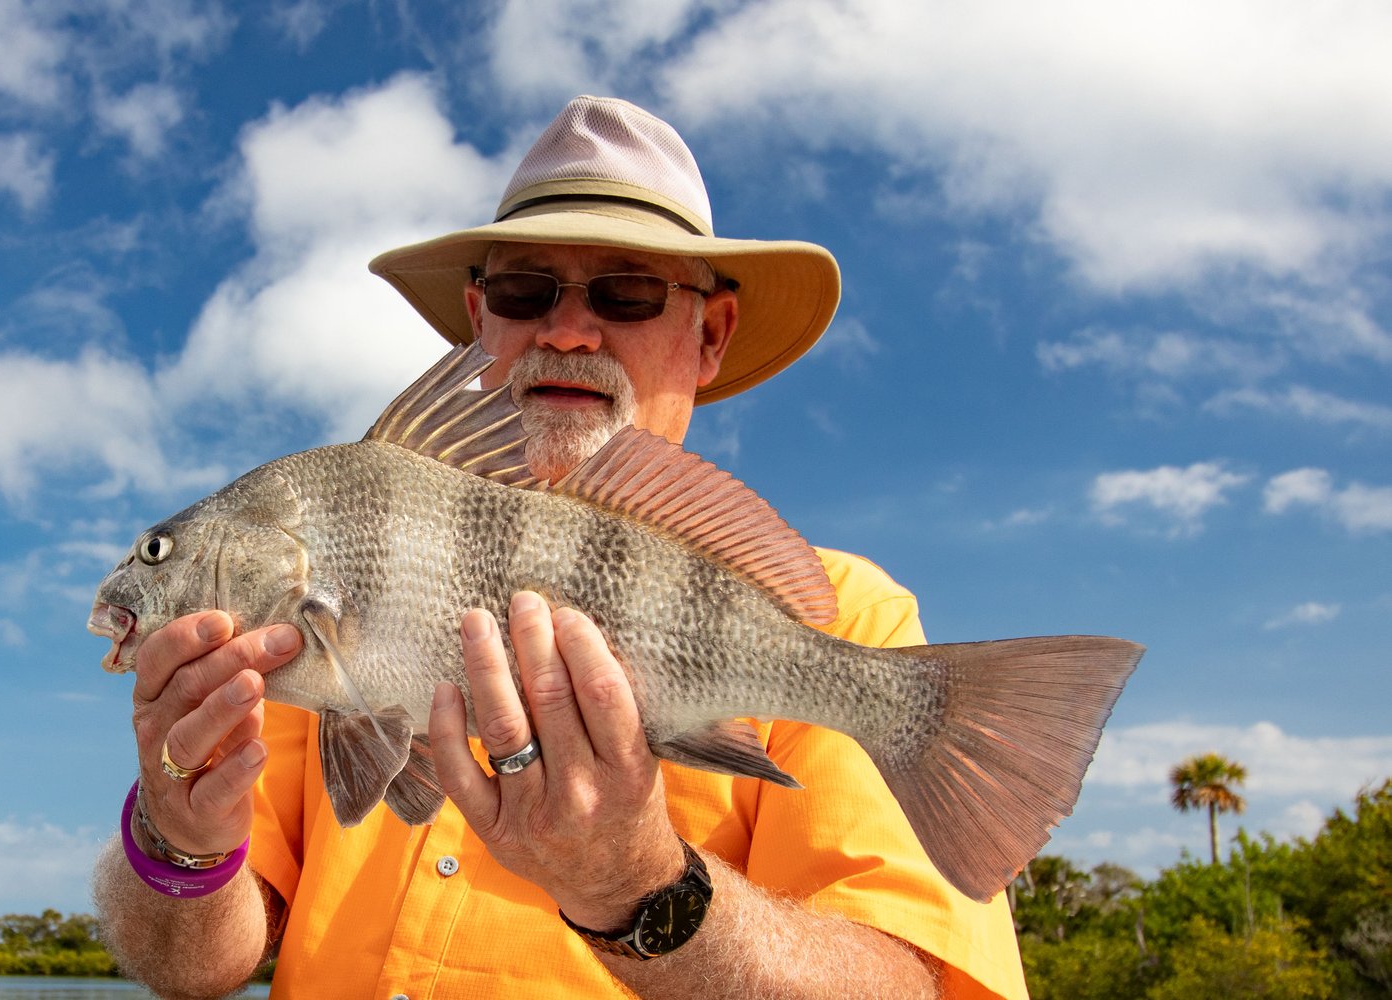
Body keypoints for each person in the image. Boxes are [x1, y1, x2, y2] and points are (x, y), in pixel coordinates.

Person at [93, 95, 1028, 999]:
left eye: (628, 291)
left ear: (712, 334)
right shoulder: (296, 648)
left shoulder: (851, 618)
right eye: (523, 288)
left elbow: (908, 985)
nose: (569, 330)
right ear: (478, 316)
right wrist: (182, 840)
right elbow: (197, 968)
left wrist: (643, 887)